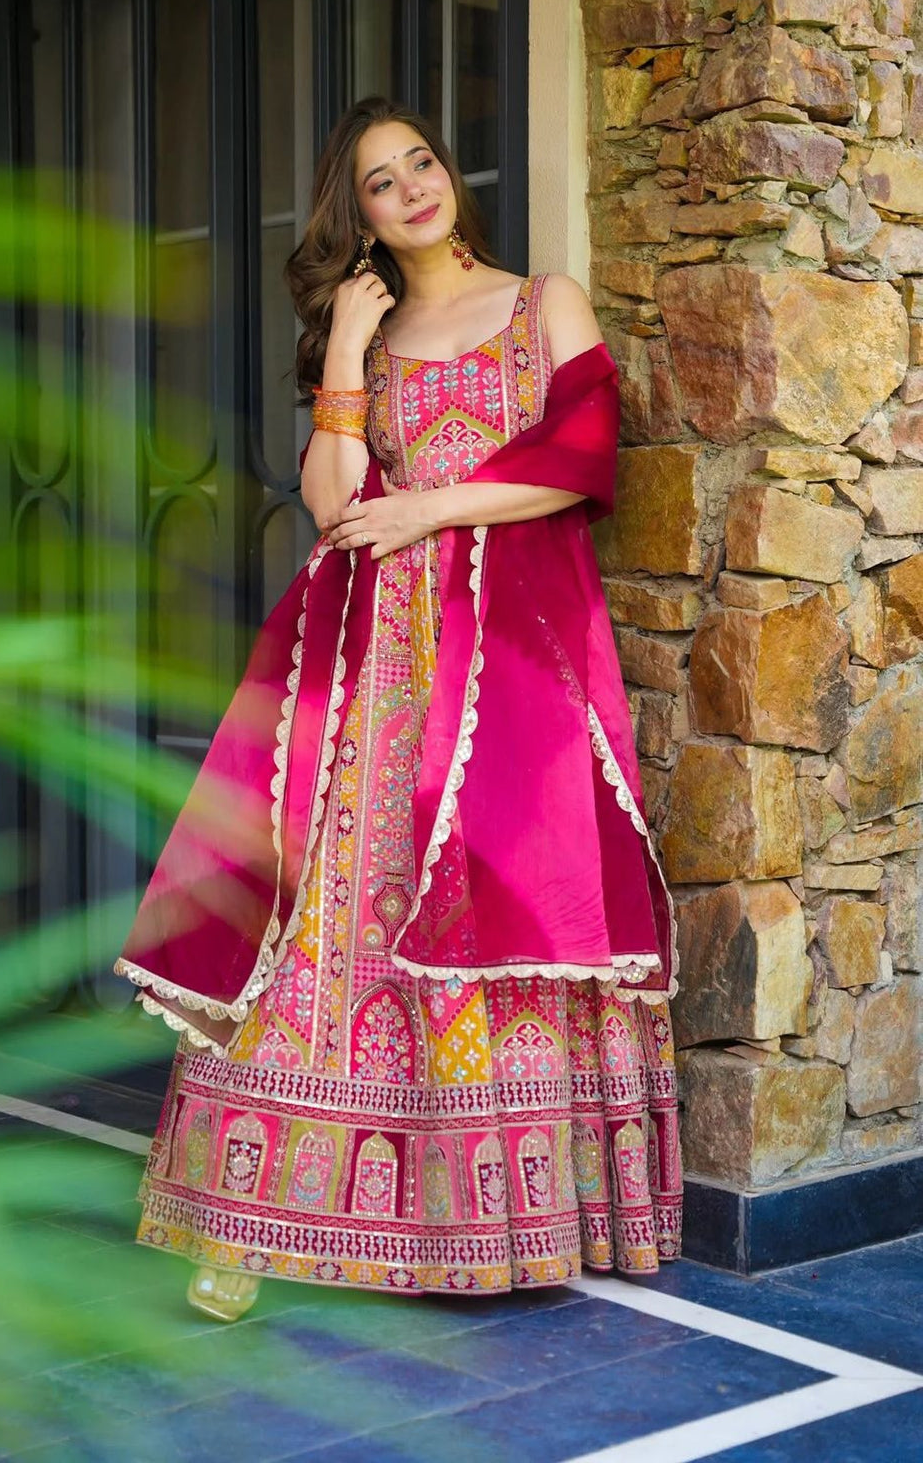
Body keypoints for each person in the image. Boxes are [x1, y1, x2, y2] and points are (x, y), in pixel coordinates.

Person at [115, 95, 682, 1322]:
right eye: (381, 181)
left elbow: (586, 458)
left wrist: (429, 508)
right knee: (321, 916)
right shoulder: (364, 334)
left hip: (505, 670)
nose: (413, 186)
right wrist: (337, 354)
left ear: (448, 174)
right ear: (356, 214)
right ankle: (249, 1217)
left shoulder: (545, 303)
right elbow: (332, 499)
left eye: (420, 161)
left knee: (494, 904)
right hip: (371, 661)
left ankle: (499, 1220)